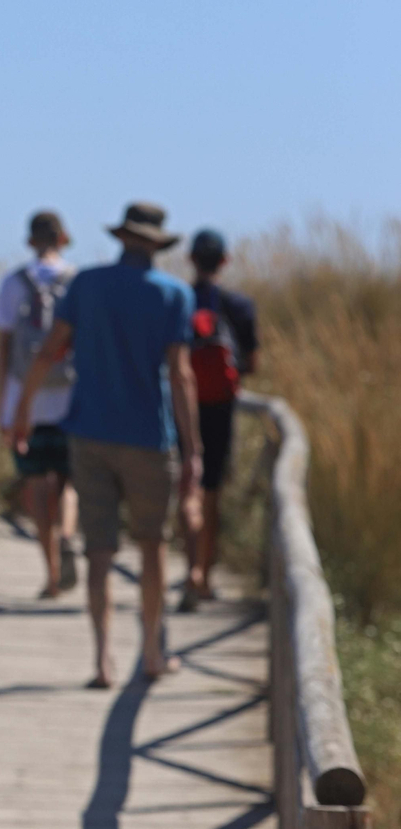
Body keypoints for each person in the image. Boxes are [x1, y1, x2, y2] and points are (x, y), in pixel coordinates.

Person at [10, 202, 202, 688]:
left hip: (89, 433)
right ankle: (153, 652)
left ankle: (102, 661)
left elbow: (50, 349)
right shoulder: (174, 295)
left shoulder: (87, 285)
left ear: (121, 238)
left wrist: (23, 412)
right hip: (148, 438)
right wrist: (193, 448)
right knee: (152, 545)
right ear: (157, 244)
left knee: (99, 551)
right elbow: (180, 376)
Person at [0, 210, 80, 598]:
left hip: (24, 400)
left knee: (36, 486)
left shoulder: (14, 283)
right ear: (63, 238)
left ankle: (51, 573)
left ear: (30, 240)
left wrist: (3, 407)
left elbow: (4, 349)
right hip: (70, 398)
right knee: (67, 482)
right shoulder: (76, 282)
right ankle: (68, 534)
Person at [179, 228, 259, 610]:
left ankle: (189, 568)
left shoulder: (178, 301)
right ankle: (204, 575)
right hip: (220, 410)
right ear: (224, 261)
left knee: (186, 488)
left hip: (181, 406)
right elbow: (251, 364)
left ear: (191, 259)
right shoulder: (239, 306)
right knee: (211, 490)